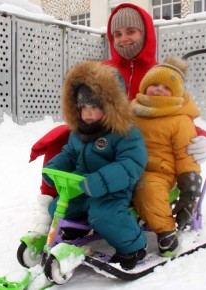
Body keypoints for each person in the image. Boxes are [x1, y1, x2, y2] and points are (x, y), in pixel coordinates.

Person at [28, 2, 206, 240]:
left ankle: (126, 221)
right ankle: (49, 208)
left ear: (145, 33)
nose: (123, 39)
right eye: (117, 34)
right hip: (102, 141)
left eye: (131, 31)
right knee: (63, 139)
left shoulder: (158, 76)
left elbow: (176, 114)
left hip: (140, 148)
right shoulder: (104, 70)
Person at [43, 60, 148, 270]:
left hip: (112, 191)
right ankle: (78, 229)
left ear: (110, 106)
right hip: (82, 187)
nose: (88, 113)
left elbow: (131, 164)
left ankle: (134, 246)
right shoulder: (79, 132)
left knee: (105, 215)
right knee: (56, 207)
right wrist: (55, 168)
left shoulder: (124, 132)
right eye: (83, 107)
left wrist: (100, 180)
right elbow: (70, 154)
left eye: (94, 107)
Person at [131, 57, 203, 257]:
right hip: (128, 166)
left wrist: (190, 183)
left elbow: (185, 154)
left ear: (177, 93)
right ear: (145, 86)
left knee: (148, 189)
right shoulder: (133, 111)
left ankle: (166, 233)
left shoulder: (180, 120)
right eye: (154, 84)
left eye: (166, 87)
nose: (159, 89)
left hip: (161, 173)